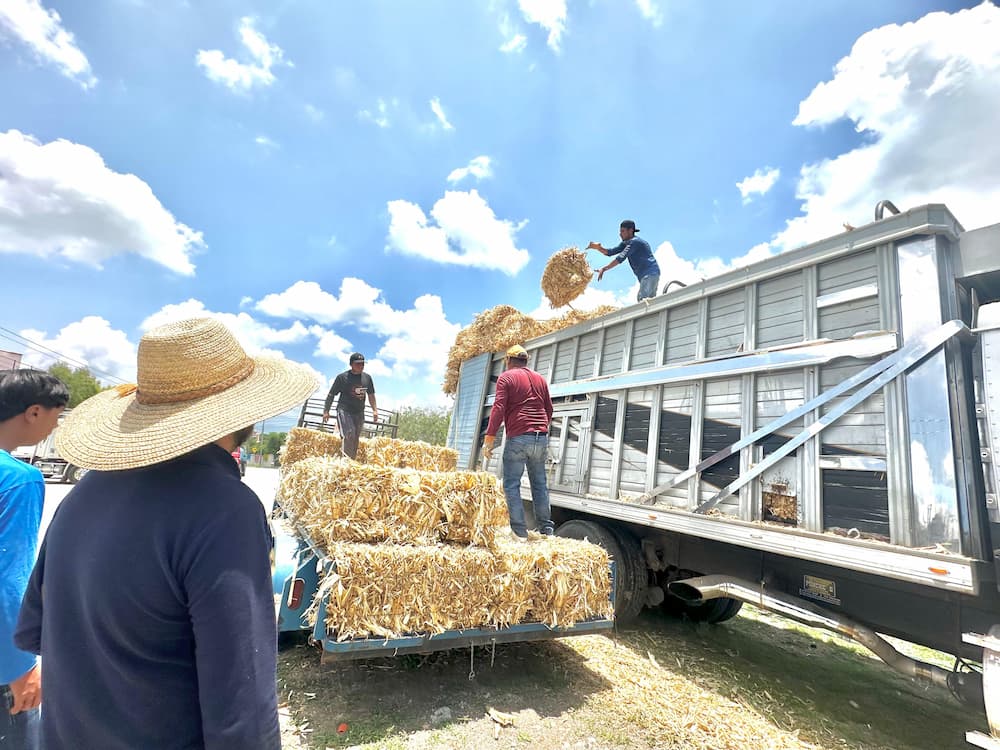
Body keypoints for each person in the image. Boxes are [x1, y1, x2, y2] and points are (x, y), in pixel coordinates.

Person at [14, 318, 317, 750]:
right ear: (244, 410)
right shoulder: (224, 508)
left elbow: (32, 631)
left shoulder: (85, 492)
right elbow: (241, 699)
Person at [0, 370, 68, 750]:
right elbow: (9, 578)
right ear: (34, 412)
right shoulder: (19, 479)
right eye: (57, 416)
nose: (54, 426)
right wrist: (19, 668)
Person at [482, 345, 554, 541]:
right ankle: (546, 531)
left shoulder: (506, 377)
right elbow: (549, 408)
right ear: (526, 361)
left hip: (519, 436)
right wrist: (540, 428)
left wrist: (489, 438)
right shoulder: (540, 379)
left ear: (508, 360)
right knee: (539, 485)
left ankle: (520, 532)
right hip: (541, 436)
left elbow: (498, 408)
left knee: (511, 484)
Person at [587, 219, 661, 301]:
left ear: (630, 231)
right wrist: (598, 248)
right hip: (646, 275)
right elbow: (610, 252)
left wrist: (604, 269)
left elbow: (620, 258)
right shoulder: (626, 243)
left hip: (650, 273)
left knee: (642, 300)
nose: (620, 234)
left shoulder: (634, 242)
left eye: (622, 231)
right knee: (647, 300)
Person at [322, 352, 377, 459]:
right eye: (358, 364)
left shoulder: (367, 378)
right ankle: (346, 461)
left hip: (359, 411)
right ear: (351, 364)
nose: (361, 366)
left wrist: (375, 410)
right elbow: (331, 394)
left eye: (362, 364)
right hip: (344, 410)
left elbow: (371, 395)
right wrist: (326, 411)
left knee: (355, 437)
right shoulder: (342, 378)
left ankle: (351, 461)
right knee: (349, 434)